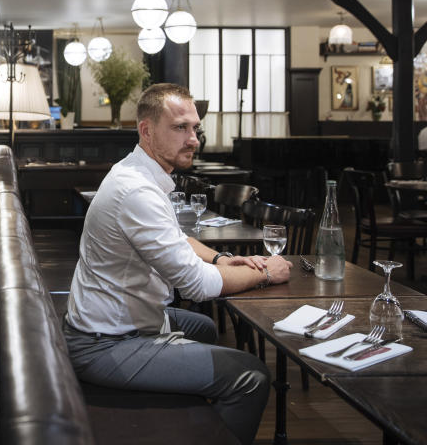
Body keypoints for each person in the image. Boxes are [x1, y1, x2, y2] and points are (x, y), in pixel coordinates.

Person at [63, 83, 291, 445]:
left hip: (109, 322)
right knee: (252, 376)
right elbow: (197, 286)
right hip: (102, 343)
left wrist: (222, 259)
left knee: (201, 327)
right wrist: (266, 271)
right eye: (180, 128)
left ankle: (191, 421)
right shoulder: (137, 190)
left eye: (195, 128)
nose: (193, 139)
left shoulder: (137, 171)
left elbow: (177, 238)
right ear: (147, 130)